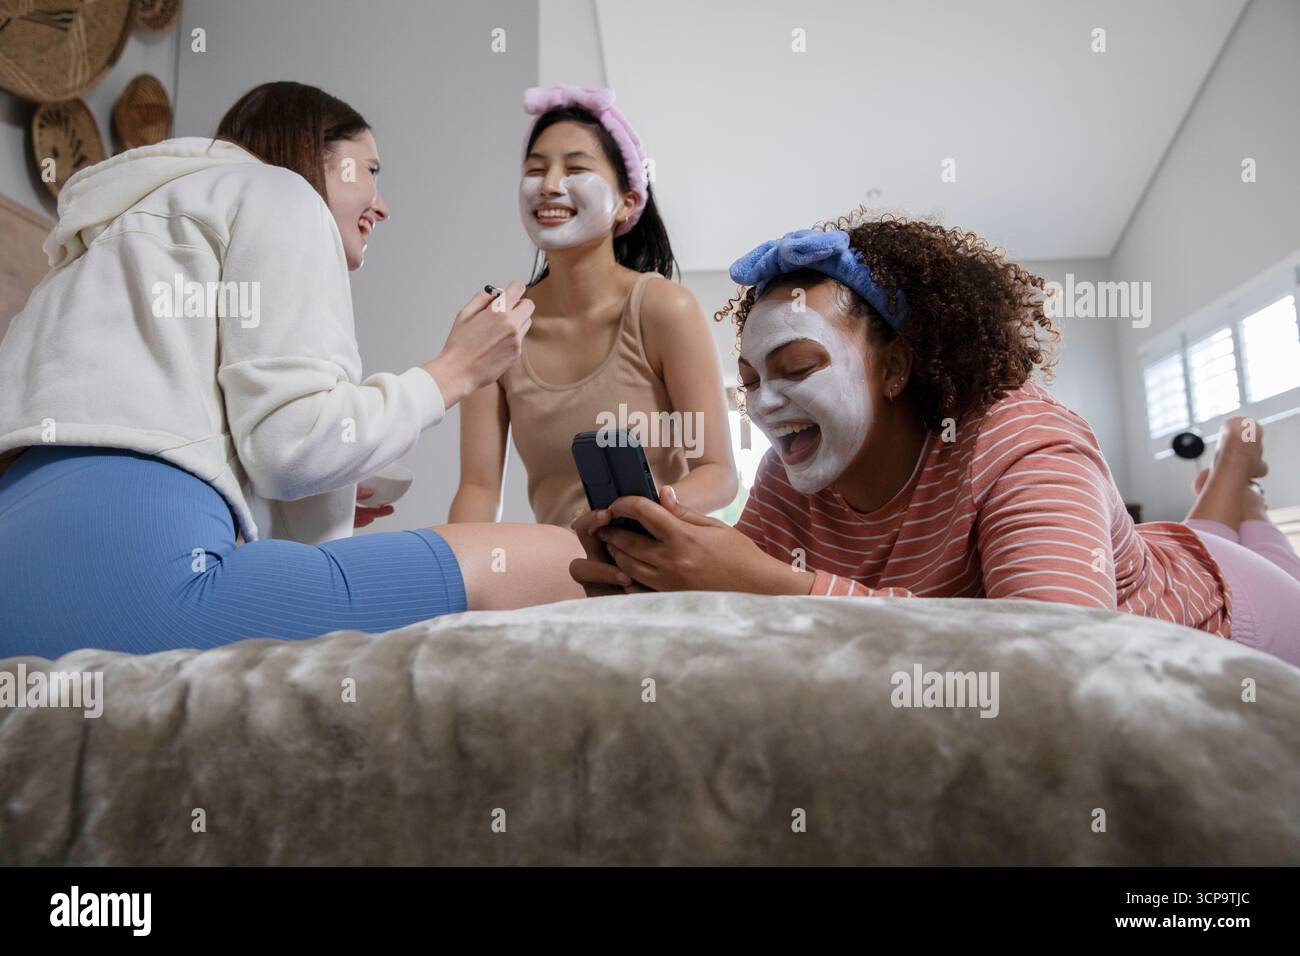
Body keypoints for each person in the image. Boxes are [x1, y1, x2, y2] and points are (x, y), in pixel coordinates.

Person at [0, 81, 583, 659]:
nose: (382, 204)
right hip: (142, 592)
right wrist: (456, 370)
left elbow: (148, 431)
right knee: (563, 558)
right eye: (370, 170)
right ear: (311, 150)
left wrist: (324, 488)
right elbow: (291, 446)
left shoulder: (101, 246)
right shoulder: (280, 191)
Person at [570, 213, 1300, 667]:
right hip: (1175, 546)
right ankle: (1235, 486)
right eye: (751, 379)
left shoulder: (1023, 444)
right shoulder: (791, 474)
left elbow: (1061, 664)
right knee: (1219, 518)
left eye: (795, 368)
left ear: (895, 366)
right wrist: (660, 578)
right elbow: (756, 624)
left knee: (1243, 542)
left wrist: (768, 581)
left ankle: (1236, 470)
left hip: (1243, 612)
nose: (766, 403)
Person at [450, 85, 736, 527]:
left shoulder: (665, 310)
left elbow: (717, 475)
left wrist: (630, 518)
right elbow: (478, 489)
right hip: (559, 578)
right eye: (535, 169)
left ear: (627, 203)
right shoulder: (499, 324)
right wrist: (457, 580)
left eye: (576, 168)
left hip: (666, 575)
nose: (548, 185)